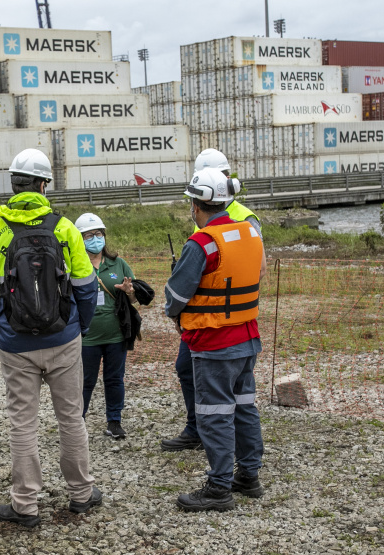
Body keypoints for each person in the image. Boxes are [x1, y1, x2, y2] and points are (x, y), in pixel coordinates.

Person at [0, 148, 102, 527]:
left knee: (22, 424)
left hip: (15, 344)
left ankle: (25, 505)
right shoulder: (64, 228)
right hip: (64, 339)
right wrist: (81, 326)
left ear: (14, 184)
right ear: (44, 184)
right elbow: (86, 287)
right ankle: (81, 494)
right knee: (71, 417)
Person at [164, 168, 266, 512]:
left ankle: (219, 487)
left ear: (197, 206)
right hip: (247, 336)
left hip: (214, 342)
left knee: (214, 413)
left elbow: (177, 294)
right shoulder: (250, 232)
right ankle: (248, 475)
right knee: (244, 407)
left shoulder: (203, 242)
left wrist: (175, 312)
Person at [74, 212, 137, 440]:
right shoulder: (74, 264)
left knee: (114, 379)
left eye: (98, 234)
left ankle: (114, 421)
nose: (95, 239)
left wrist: (130, 293)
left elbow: (135, 299)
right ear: (79, 239)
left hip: (115, 334)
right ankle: (76, 422)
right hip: (86, 336)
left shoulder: (118, 263)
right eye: (89, 235)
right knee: (85, 381)